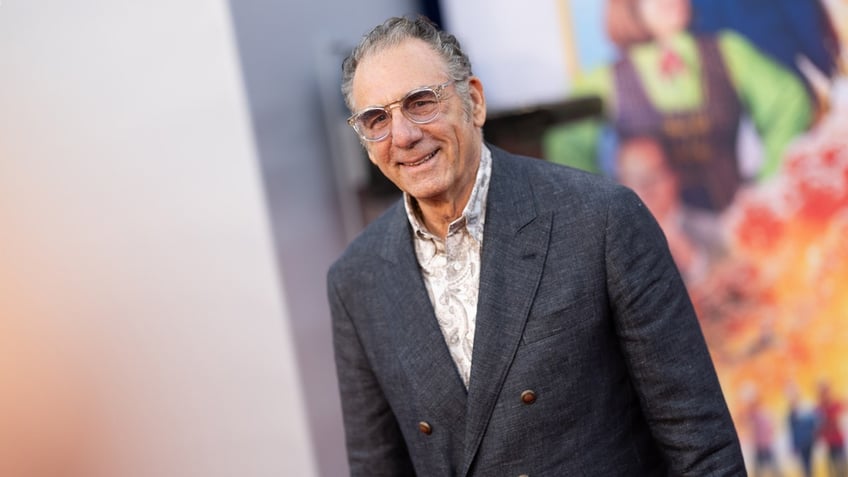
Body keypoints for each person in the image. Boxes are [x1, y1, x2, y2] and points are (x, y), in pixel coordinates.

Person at [328, 15, 745, 476]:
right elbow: (376, 467)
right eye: (376, 119)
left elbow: (699, 443)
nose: (403, 134)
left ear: (476, 102)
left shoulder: (602, 220)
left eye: (422, 102)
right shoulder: (356, 279)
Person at [543, 0, 812, 212]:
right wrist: (608, 213)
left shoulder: (729, 51)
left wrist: (766, 185)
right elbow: (567, 147)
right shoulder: (604, 80)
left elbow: (789, 102)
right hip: (656, 241)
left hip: (730, 226)